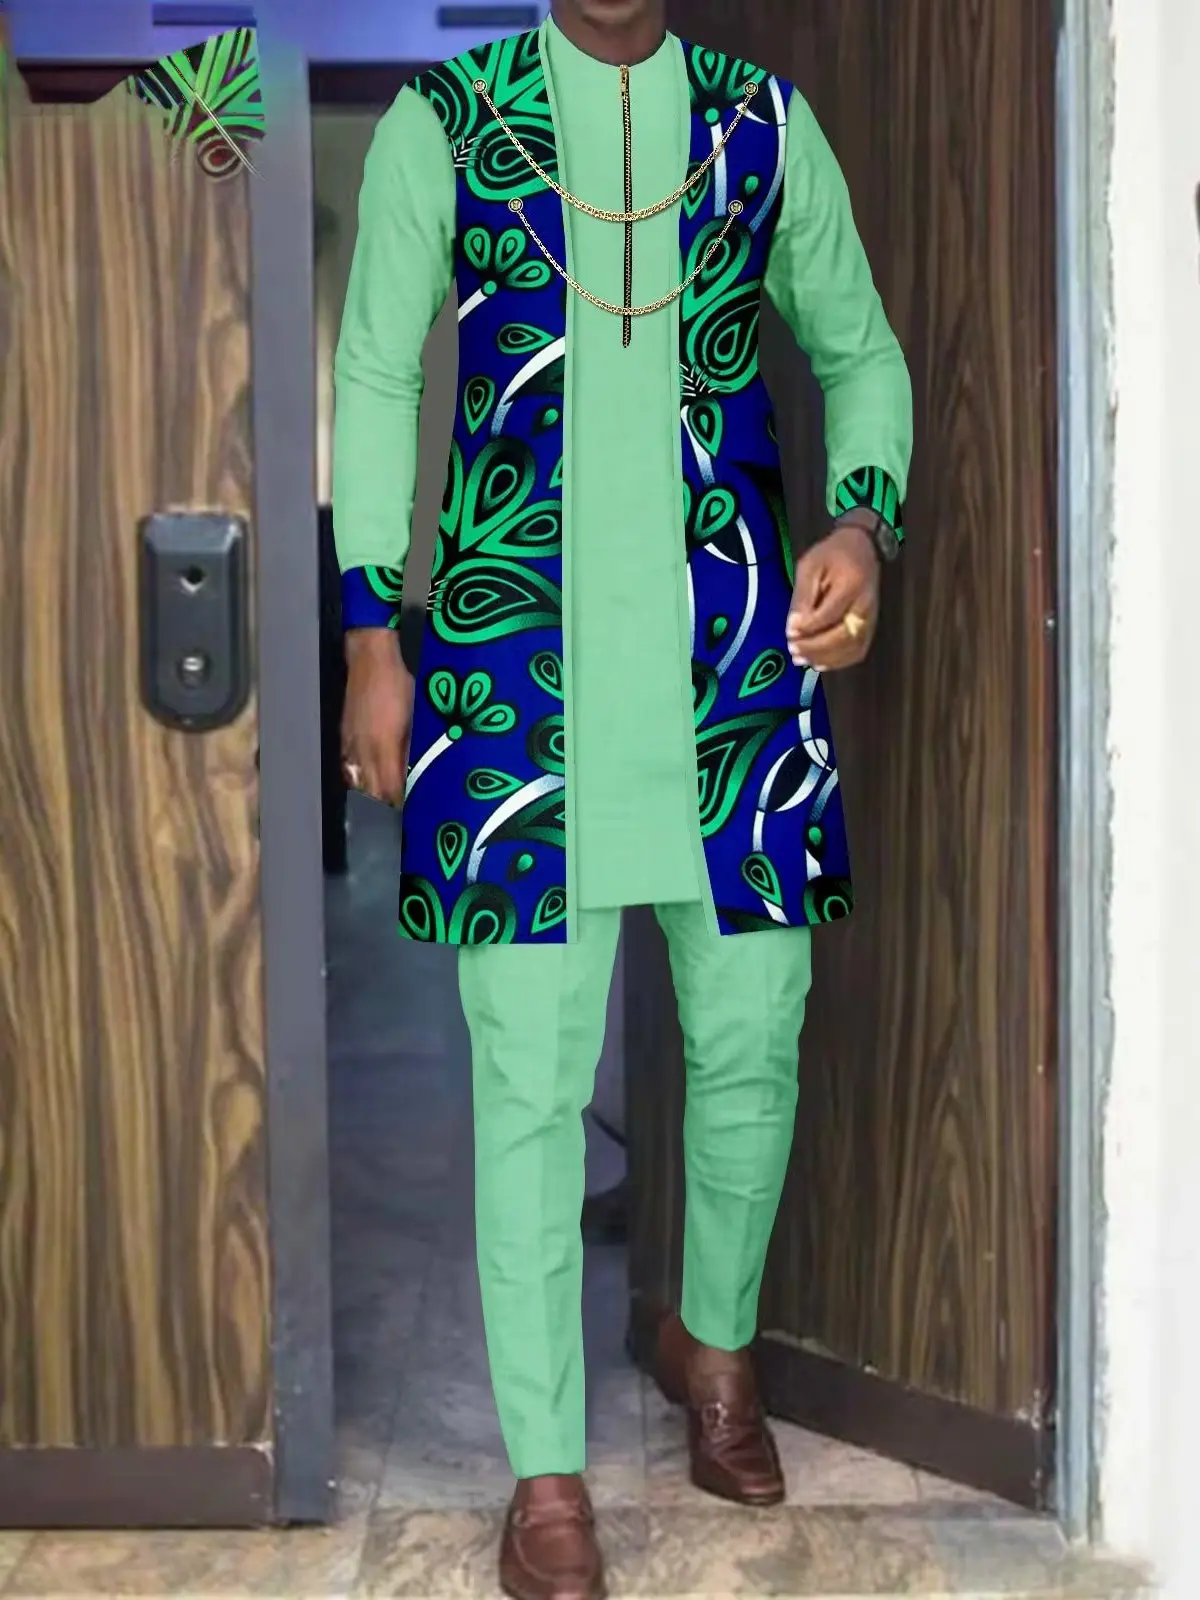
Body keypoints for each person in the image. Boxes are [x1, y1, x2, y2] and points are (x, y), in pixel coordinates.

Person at [333, 0, 912, 1592]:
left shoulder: (761, 126)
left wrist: (861, 529)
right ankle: (545, 1473)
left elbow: (861, 351)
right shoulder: (445, 124)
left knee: (756, 1029)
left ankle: (710, 1345)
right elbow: (375, 370)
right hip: (511, 679)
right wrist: (370, 635)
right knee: (529, 1074)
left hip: (737, 671)